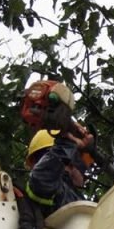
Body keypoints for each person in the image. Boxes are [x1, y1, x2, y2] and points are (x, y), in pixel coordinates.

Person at [20, 80, 95, 213]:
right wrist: (69, 141)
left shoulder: (66, 195)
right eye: (82, 166)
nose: (84, 177)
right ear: (71, 165)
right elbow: (43, 178)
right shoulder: (56, 191)